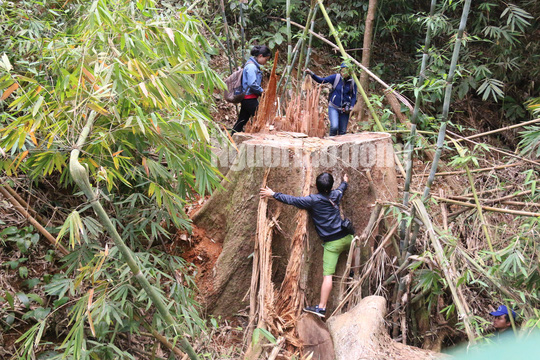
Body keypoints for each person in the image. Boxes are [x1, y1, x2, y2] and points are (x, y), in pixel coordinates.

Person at [259, 172, 353, 318]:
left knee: (328, 275)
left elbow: (292, 200)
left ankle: (321, 307)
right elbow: (342, 188)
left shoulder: (312, 200)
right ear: (331, 185)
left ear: (316, 186)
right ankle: (352, 271)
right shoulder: (336, 195)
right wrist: (345, 181)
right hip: (347, 237)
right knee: (352, 247)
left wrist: (273, 194)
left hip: (332, 244)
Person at [304, 63, 357, 136]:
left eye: (346, 71)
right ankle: (330, 142)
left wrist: (351, 107)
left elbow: (354, 96)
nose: (343, 73)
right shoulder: (336, 78)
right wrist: (311, 74)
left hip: (345, 110)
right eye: (342, 71)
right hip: (334, 107)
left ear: (350, 72)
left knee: (342, 132)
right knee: (334, 127)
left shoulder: (352, 82)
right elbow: (321, 80)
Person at [232, 45, 272, 133]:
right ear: (260, 56)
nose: (266, 61)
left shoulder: (251, 65)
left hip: (247, 97)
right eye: (266, 59)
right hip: (249, 98)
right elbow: (252, 83)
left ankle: (232, 137)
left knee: (242, 120)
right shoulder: (252, 67)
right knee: (261, 117)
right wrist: (262, 91)